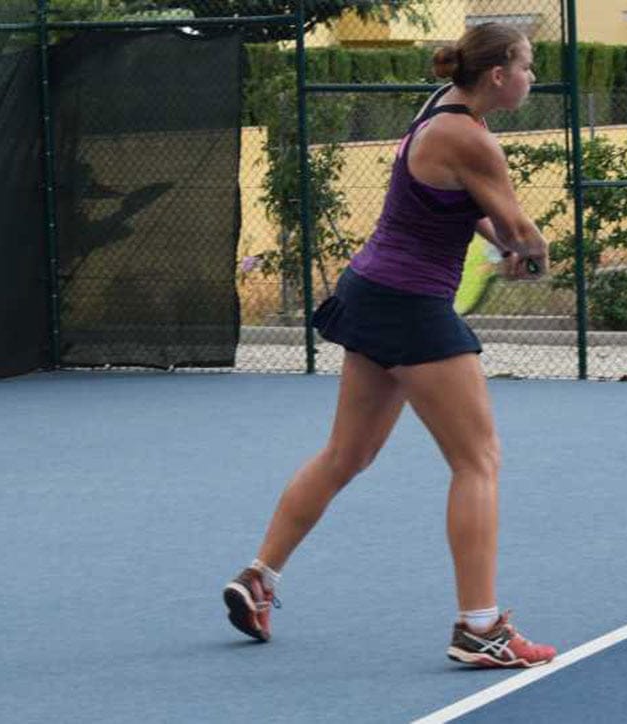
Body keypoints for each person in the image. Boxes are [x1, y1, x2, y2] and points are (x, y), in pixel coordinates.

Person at [224, 22, 556, 669]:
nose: (531, 77)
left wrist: (504, 245)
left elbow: (466, 207)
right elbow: (520, 229)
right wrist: (534, 256)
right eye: (527, 65)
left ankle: (259, 578)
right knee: (478, 460)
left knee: (346, 454)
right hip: (409, 306)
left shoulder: (441, 112)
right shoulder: (472, 137)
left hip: (371, 291)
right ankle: (480, 629)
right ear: (498, 75)